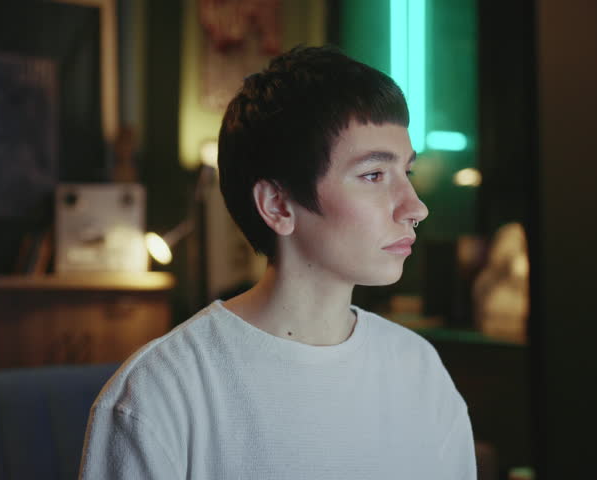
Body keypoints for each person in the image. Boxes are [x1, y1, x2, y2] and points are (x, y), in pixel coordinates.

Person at [79, 45, 476, 479]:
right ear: (277, 205)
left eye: (407, 173)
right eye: (373, 175)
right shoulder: (161, 392)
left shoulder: (418, 369)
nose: (415, 207)